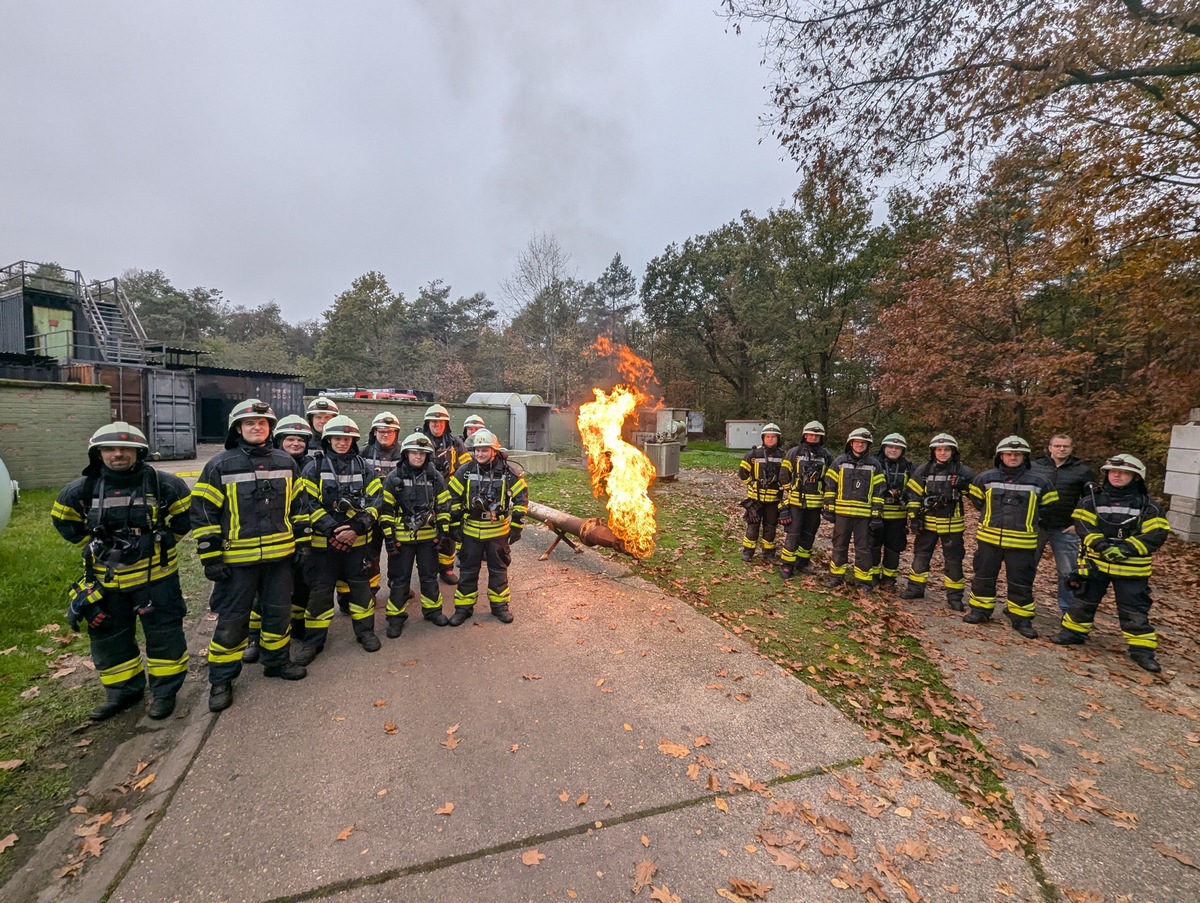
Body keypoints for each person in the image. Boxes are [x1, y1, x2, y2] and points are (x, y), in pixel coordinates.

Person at [52, 423, 192, 721]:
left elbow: (185, 516)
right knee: (109, 641)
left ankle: (165, 693)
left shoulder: (163, 484)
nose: (118, 454)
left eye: (126, 449)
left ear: (139, 452)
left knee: (165, 636)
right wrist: (93, 544)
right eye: (110, 449)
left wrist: (162, 542)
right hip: (106, 582)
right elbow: (64, 520)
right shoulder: (82, 489)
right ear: (97, 453)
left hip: (157, 579)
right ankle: (123, 692)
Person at [191, 400, 308, 713]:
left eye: (263, 423)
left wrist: (303, 543)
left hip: (280, 559)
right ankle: (221, 679)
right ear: (237, 428)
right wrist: (210, 556)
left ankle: (276, 662)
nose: (257, 427)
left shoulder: (287, 462)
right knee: (233, 622)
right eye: (250, 423)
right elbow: (203, 513)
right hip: (237, 563)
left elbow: (299, 507)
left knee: (278, 614)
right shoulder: (220, 465)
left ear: (270, 428)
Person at [1052, 454, 1170, 673]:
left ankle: (1142, 651)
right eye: (1113, 471)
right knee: (1083, 602)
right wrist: (1102, 546)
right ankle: (1072, 633)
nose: (1117, 475)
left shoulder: (1148, 506)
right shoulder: (1092, 500)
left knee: (1134, 610)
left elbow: (1156, 533)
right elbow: (1083, 524)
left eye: (1123, 472)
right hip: (1097, 563)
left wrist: (1127, 548)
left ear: (1136, 477)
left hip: (1132, 569)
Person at [293, 415, 384, 665]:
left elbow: (378, 500)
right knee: (320, 594)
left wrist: (356, 526)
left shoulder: (364, 467)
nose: (342, 442)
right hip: (324, 547)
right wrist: (333, 529)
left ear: (353, 440)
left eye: (346, 438)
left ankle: (365, 632)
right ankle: (313, 641)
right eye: (337, 438)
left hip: (357, 543)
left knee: (361, 590)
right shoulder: (313, 468)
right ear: (328, 439)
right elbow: (307, 504)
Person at [963, 435, 1059, 638]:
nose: (1013, 457)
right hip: (989, 540)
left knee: (1021, 582)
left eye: (1018, 454)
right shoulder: (985, 478)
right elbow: (977, 501)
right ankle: (980, 611)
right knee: (983, 577)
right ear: (1000, 456)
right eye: (1009, 454)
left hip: (1022, 543)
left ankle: (1021, 619)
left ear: (1025, 457)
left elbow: (1048, 508)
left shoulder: (1040, 482)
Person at [244, 414, 313, 664]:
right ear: (279, 439)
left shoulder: (313, 465)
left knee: (300, 588)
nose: (295, 444)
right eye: (290, 439)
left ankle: (295, 627)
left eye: (300, 440)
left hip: (298, 539)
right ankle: (254, 637)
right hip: (264, 541)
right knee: (260, 596)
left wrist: (304, 541)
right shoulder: (265, 462)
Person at [446, 429, 528, 625]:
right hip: (471, 532)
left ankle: (500, 607)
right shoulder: (464, 471)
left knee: (498, 571)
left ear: (494, 451)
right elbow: (453, 498)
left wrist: (516, 527)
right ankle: (463, 609)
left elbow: (521, 498)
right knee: (467, 572)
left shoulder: (508, 473)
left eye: (484, 450)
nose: (480, 454)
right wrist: (454, 525)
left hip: (497, 533)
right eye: (477, 450)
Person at [380, 432, 453, 634]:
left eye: (422, 453)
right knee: (399, 579)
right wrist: (389, 539)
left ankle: (433, 611)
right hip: (402, 540)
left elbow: (444, 506)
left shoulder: (435, 477)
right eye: (414, 453)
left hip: (428, 539)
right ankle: (395, 618)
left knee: (429, 577)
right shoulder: (394, 478)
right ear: (406, 454)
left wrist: (443, 534)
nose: (418, 457)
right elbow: (385, 510)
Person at [902, 433, 975, 610]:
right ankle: (915, 588)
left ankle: (955, 597)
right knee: (921, 556)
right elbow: (913, 495)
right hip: (927, 523)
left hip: (952, 525)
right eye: (939, 450)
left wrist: (963, 486)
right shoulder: (923, 470)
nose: (942, 453)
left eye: (946, 450)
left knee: (954, 561)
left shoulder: (963, 471)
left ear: (953, 451)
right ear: (933, 451)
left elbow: (979, 496)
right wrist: (913, 517)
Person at [1030, 435, 1097, 613]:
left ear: (1071, 448)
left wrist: (1079, 525)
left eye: (1065, 446)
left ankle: (1069, 611)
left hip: (1065, 527)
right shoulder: (1035, 467)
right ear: (1049, 447)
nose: (1061, 449)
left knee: (1068, 572)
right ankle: (1019, 604)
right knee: (1026, 567)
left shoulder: (1082, 471)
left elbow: (1092, 502)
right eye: (1058, 446)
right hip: (1036, 525)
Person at [823, 428, 885, 590]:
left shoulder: (874, 465)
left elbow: (879, 491)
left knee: (863, 549)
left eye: (863, 443)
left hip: (864, 517)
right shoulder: (839, 462)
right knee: (839, 546)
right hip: (842, 514)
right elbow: (830, 485)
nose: (859, 445)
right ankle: (836, 577)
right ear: (851, 443)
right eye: (857, 442)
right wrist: (829, 507)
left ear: (868, 445)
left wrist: (876, 513)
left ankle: (863, 582)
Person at [354, 411, 404, 612]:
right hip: (372, 513)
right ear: (374, 432)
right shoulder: (363, 453)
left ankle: (397, 587)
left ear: (396, 433)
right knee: (371, 553)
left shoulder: (404, 452)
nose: (385, 435)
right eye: (381, 431)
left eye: (390, 432)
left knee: (397, 552)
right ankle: (372, 590)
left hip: (395, 512)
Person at [421, 404, 468, 584]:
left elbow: (466, 468)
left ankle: (447, 569)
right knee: (426, 532)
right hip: (425, 494)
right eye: (433, 421)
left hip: (449, 494)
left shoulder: (456, 443)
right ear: (428, 423)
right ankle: (427, 570)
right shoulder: (420, 441)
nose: (437, 424)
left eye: (440, 421)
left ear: (446, 423)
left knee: (448, 533)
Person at [778, 421, 832, 578]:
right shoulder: (794, 453)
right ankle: (787, 565)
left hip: (815, 504)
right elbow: (783, 474)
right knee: (793, 533)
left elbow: (830, 479)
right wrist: (791, 490)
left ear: (821, 437)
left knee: (809, 534)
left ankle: (802, 563)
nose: (813, 437)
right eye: (810, 434)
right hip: (796, 502)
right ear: (804, 435)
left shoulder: (826, 456)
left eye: (816, 435)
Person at [870, 433, 912, 593]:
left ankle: (889, 580)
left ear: (902, 450)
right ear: (884, 448)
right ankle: (873, 576)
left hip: (897, 516)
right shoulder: (874, 464)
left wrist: (904, 495)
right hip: (876, 514)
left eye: (897, 448)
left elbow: (914, 489)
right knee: (873, 546)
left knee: (893, 548)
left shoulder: (908, 467)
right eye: (890, 447)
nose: (893, 450)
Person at [737, 423, 784, 563]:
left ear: (778, 439)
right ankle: (748, 552)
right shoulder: (753, 454)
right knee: (753, 526)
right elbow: (742, 472)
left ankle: (768, 554)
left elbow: (787, 474)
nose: (770, 439)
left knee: (770, 527)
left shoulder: (783, 455)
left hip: (773, 501)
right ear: (763, 438)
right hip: (755, 499)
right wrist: (751, 483)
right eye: (768, 437)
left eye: (773, 437)